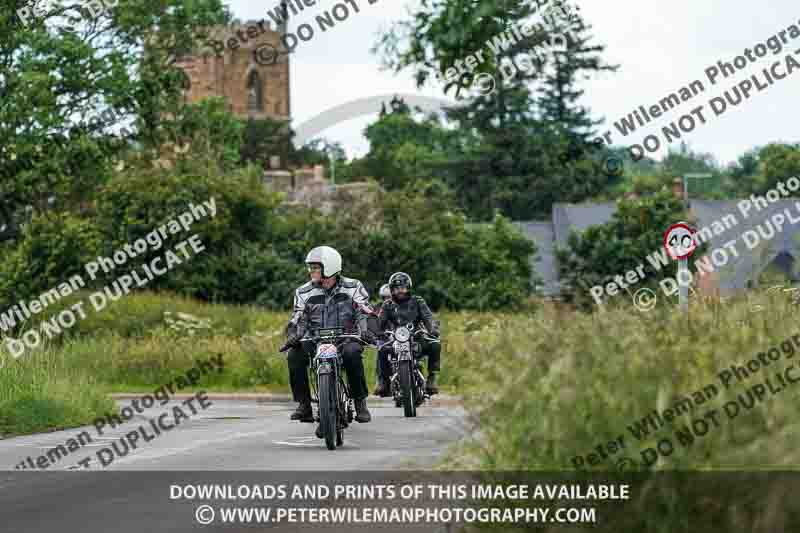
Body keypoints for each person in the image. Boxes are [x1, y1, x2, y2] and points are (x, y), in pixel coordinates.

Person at [280, 246, 376, 426]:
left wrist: (365, 330)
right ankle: (304, 405)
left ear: (329, 267)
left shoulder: (353, 287)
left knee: (352, 353)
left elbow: (364, 311)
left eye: (315, 267)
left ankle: (359, 402)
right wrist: (293, 335)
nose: (310, 271)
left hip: (347, 337)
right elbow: (297, 318)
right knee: (294, 355)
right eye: (310, 267)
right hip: (315, 340)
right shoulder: (303, 292)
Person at [375, 272, 442, 396]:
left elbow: (428, 317)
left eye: (403, 288)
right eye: (397, 288)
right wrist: (376, 332)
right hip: (396, 338)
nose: (400, 291)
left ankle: (432, 377)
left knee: (435, 344)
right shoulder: (387, 305)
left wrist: (432, 329)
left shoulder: (418, 301)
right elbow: (380, 322)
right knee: (382, 349)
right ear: (392, 290)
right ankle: (383, 381)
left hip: (416, 336)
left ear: (408, 287)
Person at [372, 283, 393, 396]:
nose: (387, 299)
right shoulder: (377, 308)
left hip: (401, 336)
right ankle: (381, 381)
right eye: (385, 297)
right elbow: (374, 322)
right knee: (381, 351)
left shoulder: (404, 305)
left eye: (389, 296)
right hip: (384, 337)